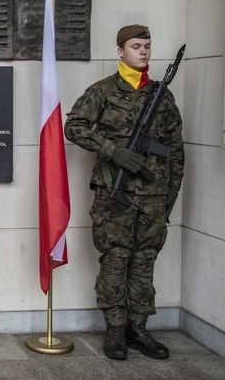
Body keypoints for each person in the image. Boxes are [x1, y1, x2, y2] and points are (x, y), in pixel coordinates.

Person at [64, 24, 184, 361]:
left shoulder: (162, 96)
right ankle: (115, 329)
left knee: (145, 262)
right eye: (135, 46)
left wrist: (172, 191)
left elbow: (174, 148)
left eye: (147, 45)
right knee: (115, 261)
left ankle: (138, 328)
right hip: (115, 198)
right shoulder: (102, 92)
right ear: (120, 51)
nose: (143, 51)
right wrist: (112, 150)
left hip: (153, 196)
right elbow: (73, 126)